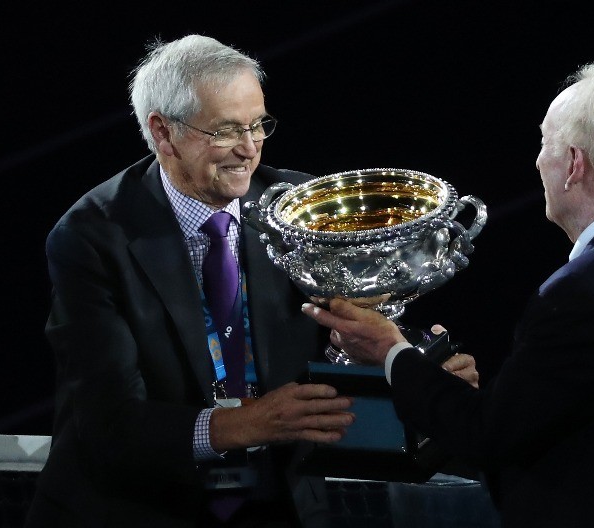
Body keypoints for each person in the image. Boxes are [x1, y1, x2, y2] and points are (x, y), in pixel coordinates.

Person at [302, 63, 594, 527]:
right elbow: (555, 413)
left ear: (574, 163)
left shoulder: (585, 291)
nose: (537, 162)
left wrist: (390, 352)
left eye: (544, 144)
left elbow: (488, 436)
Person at [25, 34, 360, 528]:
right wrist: (245, 424)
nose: (249, 150)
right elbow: (110, 423)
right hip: (133, 510)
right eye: (226, 131)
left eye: (258, 125)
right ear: (163, 132)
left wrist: (408, 368)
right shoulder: (92, 237)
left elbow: (339, 345)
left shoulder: (297, 209)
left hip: (277, 506)